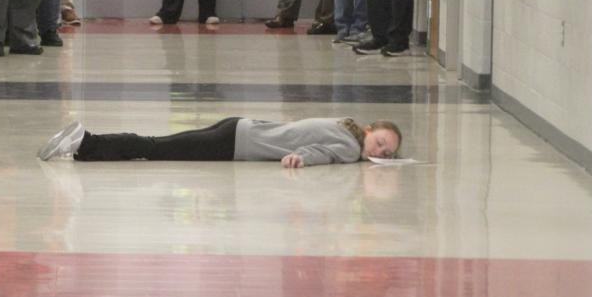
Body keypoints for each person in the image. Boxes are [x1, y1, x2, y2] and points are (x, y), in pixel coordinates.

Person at [38, 117, 401, 166]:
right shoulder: (352, 149)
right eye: (382, 142)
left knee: (157, 144)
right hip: (235, 146)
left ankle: (84, 143)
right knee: (153, 149)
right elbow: (317, 152)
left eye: (386, 151)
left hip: (239, 126)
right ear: (371, 130)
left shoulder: (342, 124)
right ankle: (83, 142)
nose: (380, 151)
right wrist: (299, 160)